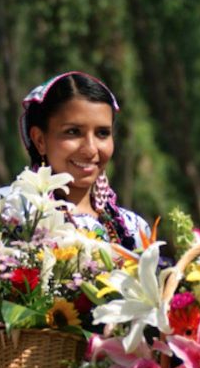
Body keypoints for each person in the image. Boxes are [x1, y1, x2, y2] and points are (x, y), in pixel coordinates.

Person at [19, 71, 150, 251]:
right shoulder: (16, 220)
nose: (90, 150)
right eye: (73, 132)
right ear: (40, 140)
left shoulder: (134, 231)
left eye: (102, 133)